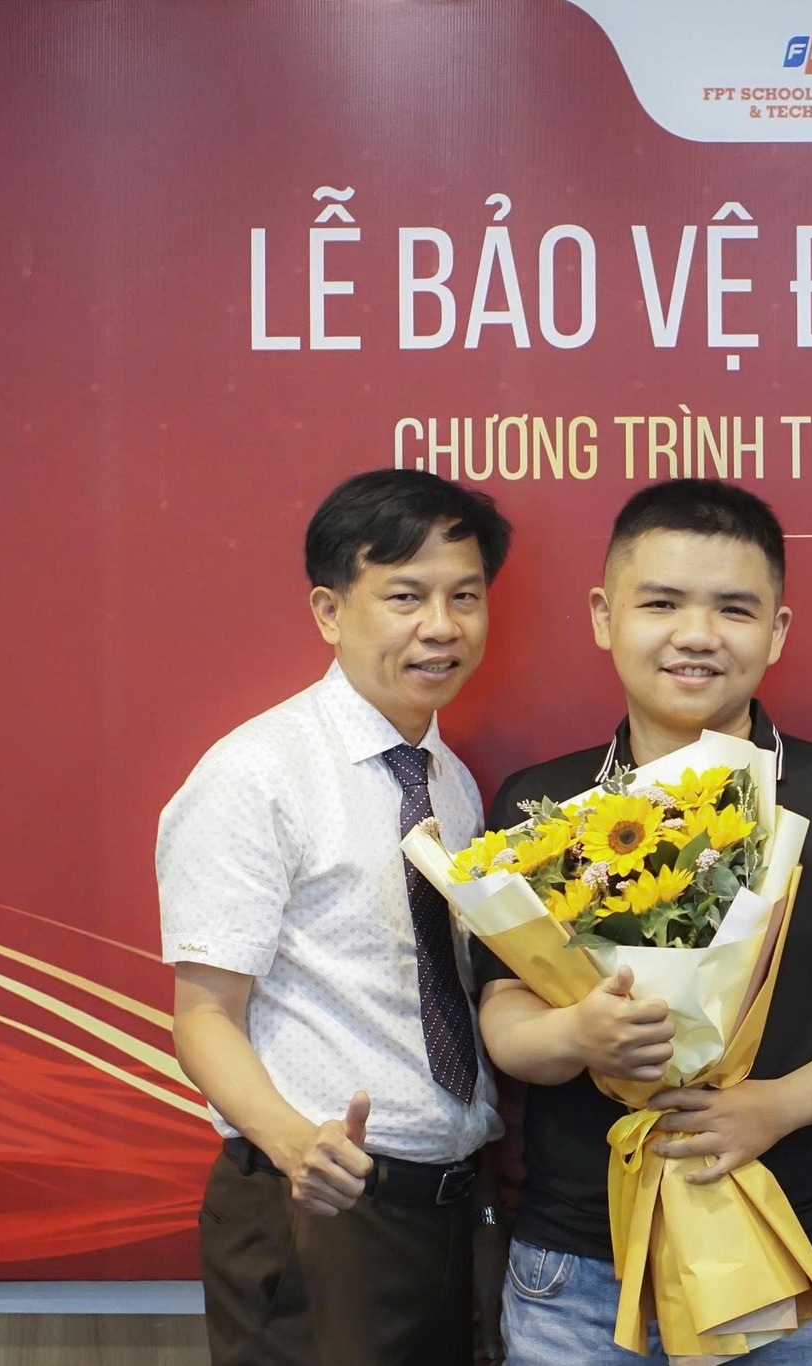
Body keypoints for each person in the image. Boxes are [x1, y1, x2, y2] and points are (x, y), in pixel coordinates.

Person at [474, 477, 812, 1365]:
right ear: (603, 616)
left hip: (790, 1259)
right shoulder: (541, 804)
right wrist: (576, 1035)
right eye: (661, 603)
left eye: (734, 609)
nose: (696, 635)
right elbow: (504, 1012)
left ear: (777, 630)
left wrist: (774, 1108)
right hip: (580, 1268)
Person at [159, 469, 514, 1366]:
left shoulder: (453, 783)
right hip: (316, 1206)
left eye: (465, 596)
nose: (442, 625)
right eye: (406, 596)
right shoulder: (257, 773)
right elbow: (203, 1016)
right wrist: (297, 1148)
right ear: (329, 610)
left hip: (451, 1210)